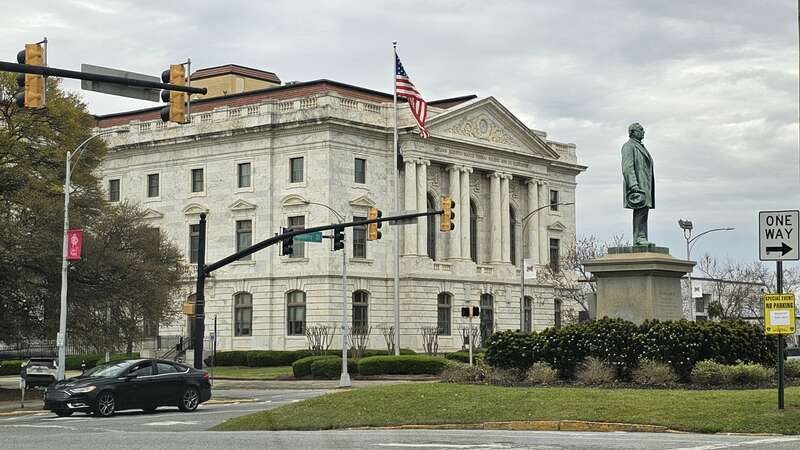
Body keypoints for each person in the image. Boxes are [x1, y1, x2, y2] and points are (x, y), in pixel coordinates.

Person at [621, 122, 655, 246]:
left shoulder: (640, 146)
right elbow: (627, 167)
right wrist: (634, 185)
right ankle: (640, 237)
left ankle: (642, 236)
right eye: (641, 130)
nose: (643, 132)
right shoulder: (628, 146)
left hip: (645, 185)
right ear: (633, 132)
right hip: (638, 185)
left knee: (644, 211)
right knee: (640, 211)